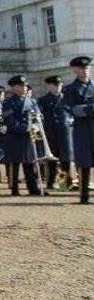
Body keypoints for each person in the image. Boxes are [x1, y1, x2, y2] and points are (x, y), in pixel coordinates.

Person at [61, 56, 93, 204]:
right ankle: (84, 195)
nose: (85, 71)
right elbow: (68, 109)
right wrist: (88, 109)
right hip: (83, 129)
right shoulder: (71, 89)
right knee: (84, 162)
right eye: (82, 69)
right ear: (75, 70)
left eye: (87, 68)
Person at [38, 75, 73, 190]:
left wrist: (70, 120)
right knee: (52, 160)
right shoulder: (43, 100)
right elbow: (40, 116)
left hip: (65, 132)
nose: (57, 88)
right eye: (54, 85)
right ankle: (51, 183)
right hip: (51, 132)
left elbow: (72, 112)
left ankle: (64, 184)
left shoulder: (67, 98)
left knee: (66, 160)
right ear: (49, 86)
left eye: (59, 85)